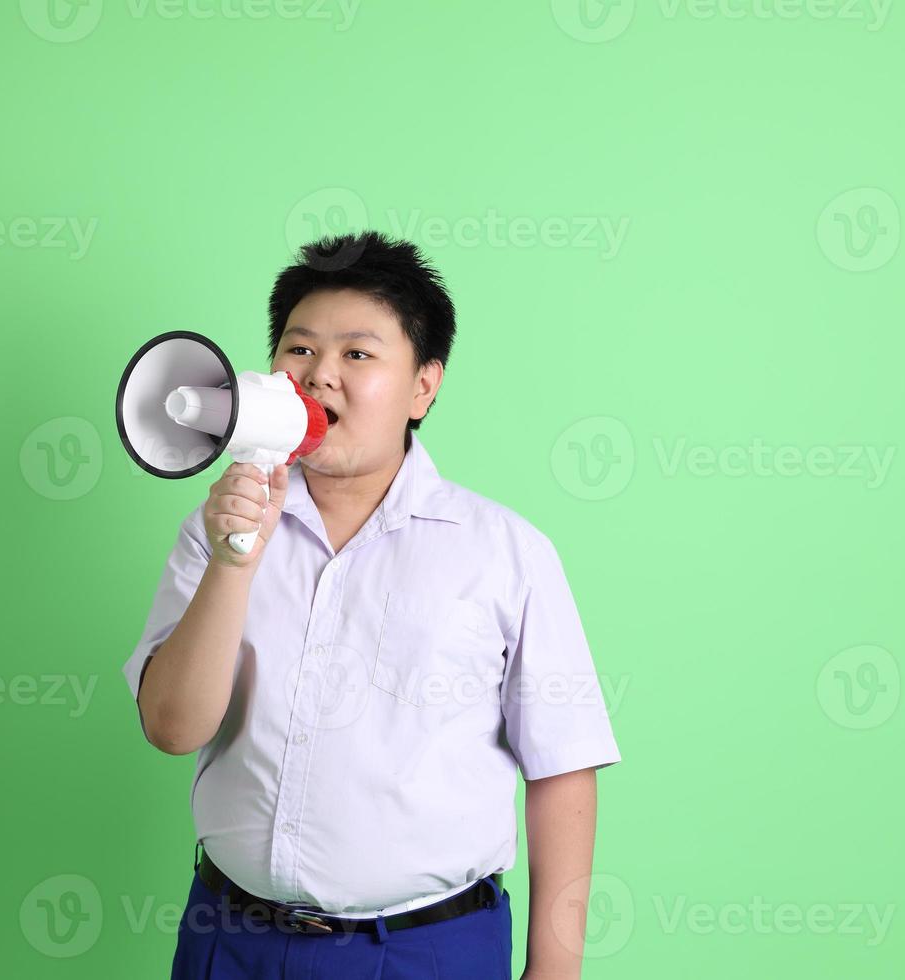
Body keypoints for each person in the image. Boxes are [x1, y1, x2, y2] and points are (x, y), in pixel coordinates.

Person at [122, 230, 622, 979]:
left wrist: (556, 970)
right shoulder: (218, 528)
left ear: (424, 385)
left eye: (358, 354)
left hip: (425, 951)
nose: (320, 376)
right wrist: (235, 560)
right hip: (229, 940)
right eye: (299, 350)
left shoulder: (503, 553)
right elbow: (171, 727)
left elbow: (562, 768)